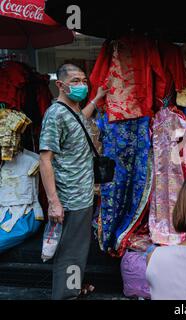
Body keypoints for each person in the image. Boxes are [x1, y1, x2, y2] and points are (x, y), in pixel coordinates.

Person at [39, 64, 108, 300]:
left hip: (82, 194)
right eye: (76, 80)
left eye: (84, 80)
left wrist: (98, 98)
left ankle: (74, 287)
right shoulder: (55, 114)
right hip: (70, 197)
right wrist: (54, 202)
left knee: (77, 250)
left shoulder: (72, 111)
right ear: (60, 84)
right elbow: (45, 160)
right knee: (71, 252)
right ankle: (66, 295)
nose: (82, 85)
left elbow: (80, 121)